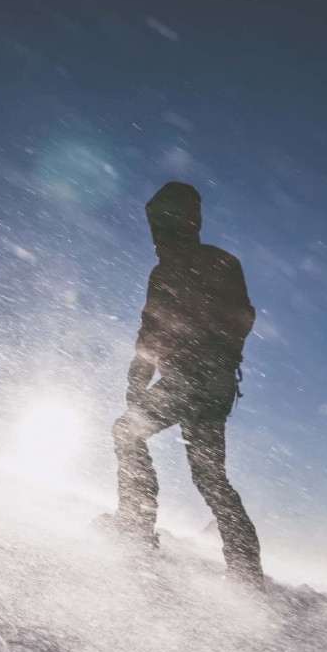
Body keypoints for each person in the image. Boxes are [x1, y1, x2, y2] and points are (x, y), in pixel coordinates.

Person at [111, 181, 263, 589]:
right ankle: (247, 574)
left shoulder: (184, 267)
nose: (156, 230)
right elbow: (157, 331)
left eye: (161, 220)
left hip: (195, 380)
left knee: (127, 432)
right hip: (209, 384)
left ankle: (136, 531)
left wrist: (141, 383)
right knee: (210, 478)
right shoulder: (213, 262)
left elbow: (154, 331)